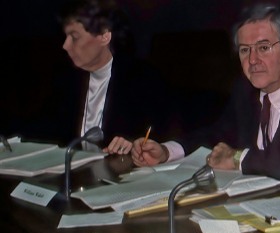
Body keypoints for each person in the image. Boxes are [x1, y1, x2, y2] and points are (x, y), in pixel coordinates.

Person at [121, 3, 280, 187]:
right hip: (253, 206)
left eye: (263, 47)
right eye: (244, 50)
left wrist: (239, 159)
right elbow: (219, 135)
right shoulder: (245, 88)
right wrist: (166, 151)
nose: (252, 60)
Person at [28, 0, 174, 151]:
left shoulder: (142, 79)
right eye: (65, 37)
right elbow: (44, 131)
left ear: (104, 36)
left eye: (74, 37)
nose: (65, 45)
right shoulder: (66, 80)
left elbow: (159, 136)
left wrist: (134, 145)